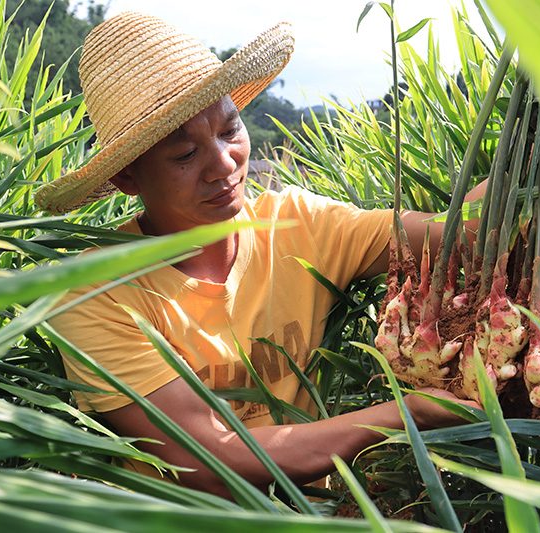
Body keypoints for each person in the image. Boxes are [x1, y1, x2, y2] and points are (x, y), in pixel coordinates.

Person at [37, 11, 486, 499]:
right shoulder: (95, 291)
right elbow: (208, 461)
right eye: (185, 155)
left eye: (230, 130)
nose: (223, 163)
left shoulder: (299, 225)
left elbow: (462, 233)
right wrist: (406, 415)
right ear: (127, 177)